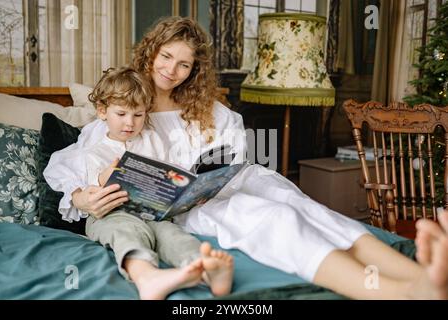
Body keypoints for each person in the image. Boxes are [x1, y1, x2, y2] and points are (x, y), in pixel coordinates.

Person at [44, 16, 448, 300]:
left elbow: (232, 154)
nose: (173, 69)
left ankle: (421, 276)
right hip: (189, 211)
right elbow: (74, 161)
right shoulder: (126, 110)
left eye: (184, 64)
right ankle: (400, 292)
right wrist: (81, 198)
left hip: (230, 186)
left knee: (303, 207)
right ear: (151, 53)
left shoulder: (208, 109)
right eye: (166, 57)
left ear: (194, 70)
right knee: (277, 219)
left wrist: (214, 172)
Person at [59, 66, 234, 300]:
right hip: (111, 216)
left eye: (138, 115)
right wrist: (102, 178)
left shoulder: (153, 140)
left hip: (154, 214)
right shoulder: (92, 151)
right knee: (125, 234)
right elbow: (83, 190)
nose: (130, 123)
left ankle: (204, 268)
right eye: (121, 114)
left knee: (174, 236)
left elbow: (169, 172)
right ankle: (147, 276)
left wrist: (190, 191)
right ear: (102, 111)